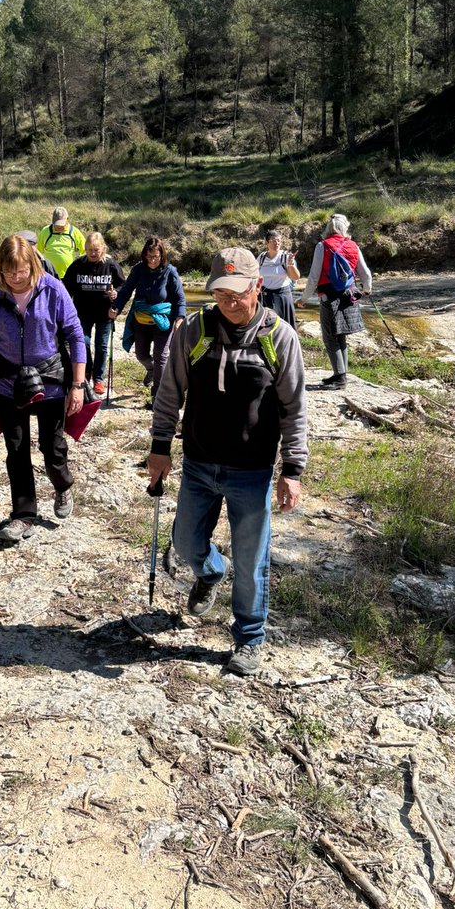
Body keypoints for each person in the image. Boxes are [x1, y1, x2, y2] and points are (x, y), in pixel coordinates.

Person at [147, 248, 307, 677]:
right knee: (183, 543)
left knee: (252, 561)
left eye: (238, 293)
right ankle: (210, 571)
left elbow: (294, 410)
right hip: (198, 463)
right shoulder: (194, 331)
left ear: (257, 287)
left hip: (251, 471)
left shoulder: (280, 338)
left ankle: (249, 638)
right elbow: (169, 393)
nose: (230, 303)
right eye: (221, 294)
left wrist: (292, 471)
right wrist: (160, 447)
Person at [0, 235, 87, 545]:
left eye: (20, 271)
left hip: (51, 385)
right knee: (17, 451)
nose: (15, 279)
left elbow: (75, 335)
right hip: (8, 385)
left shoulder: (53, 289)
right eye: (8, 272)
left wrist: (77, 385)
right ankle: (23, 515)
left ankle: (62, 485)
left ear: (32, 265)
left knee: (52, 448)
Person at [109, 236, 186, 408]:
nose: (152, 260)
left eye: (156, 257)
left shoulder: (170, 271)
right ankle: (151, 370)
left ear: (162, 256)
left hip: (163, 322)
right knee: (141, 355)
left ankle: (157, 397)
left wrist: (180, 318)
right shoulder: (138, 270)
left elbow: (179, 298)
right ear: (144, 255)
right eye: (149, 256)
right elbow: (126, 291)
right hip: (141, 320)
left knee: (161, 357)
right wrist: (116, 307)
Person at [298, 214, 372, 390]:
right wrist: (367, 289)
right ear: (344, 228)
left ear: (329, 229)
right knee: (341, 336)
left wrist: (304, 298)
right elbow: (365, 273)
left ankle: (340, 378)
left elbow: (314, 276)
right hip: (349, 295)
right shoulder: (353, 245)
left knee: (330, 337)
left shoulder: (322, 246)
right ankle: (341, 373)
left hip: (328, 296)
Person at [63, 232, 125, 395]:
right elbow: (65, 289)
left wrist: (116, 294)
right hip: (82, 313)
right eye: (89, 249)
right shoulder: (77, 265)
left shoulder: (111, 265)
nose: (92, 253)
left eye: (96, 250)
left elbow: (122, 286)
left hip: (105, 314)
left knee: (101, 346)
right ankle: (86, 371)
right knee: (83, 342)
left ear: (103, 249)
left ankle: (98, 379)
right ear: (85, 249)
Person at [258, 230, 298, 327]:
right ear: (267, 243)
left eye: (279, 241)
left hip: (282, 295)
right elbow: (255, 275)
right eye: (273, 241)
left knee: (285, 325)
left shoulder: (285, 256)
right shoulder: (262, 257)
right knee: (266, 325)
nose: (277, 243)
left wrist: (291, 264)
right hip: (265, 295)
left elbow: (295, 277)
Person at [36, 207, 85, 279]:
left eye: (61, 224)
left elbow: (85, 251)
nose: (59, 226)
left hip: (69, 275)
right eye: (56, 224)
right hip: (49, 275)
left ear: (67, 220)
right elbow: (37, 252)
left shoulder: (74, 232)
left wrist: (81, 267)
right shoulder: (45, 231)